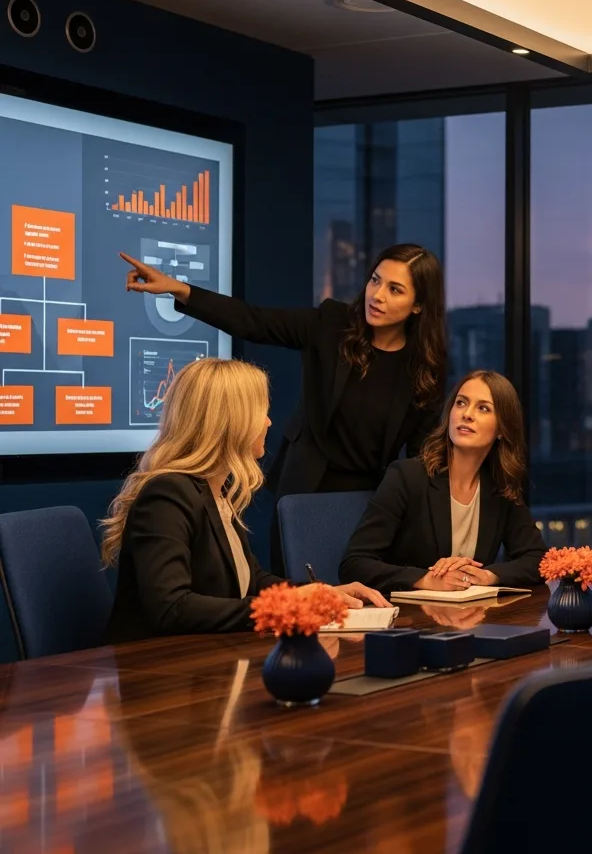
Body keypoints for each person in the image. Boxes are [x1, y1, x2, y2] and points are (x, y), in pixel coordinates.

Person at [119, 244, 448, 575]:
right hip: (305, 483)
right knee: (295, 593)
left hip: (369, 500)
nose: (377, 295)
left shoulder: (425, 369)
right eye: (375, 281)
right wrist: (180, 289)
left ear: (418, 305)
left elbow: (422, 458)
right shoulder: (332, 324)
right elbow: (254, 320)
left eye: (395, 290)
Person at [102, 358, 388, 644]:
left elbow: (252, 580)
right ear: (232, 421)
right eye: (262, 411)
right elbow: (171, 608)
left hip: (205, 658)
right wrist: (285, 607)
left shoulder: (217, 492)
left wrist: (322, 595)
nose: (268, 422)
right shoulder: (167, 495)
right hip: (152, 670)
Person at [339, 370, 546, 593]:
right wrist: (424, 579)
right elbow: (354, 564)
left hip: (469, 618)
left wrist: (487, 576)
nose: (467, 414)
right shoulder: (407, 477)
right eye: (461, 403)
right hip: (408, 619)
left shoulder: (500, 488)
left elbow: (539, 560)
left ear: (502, 430)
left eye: (483, 408)